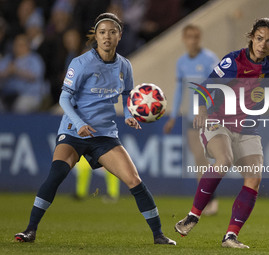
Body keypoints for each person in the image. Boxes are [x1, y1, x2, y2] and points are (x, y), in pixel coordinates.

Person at [14, 12, 176, 245]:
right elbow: (64, 100)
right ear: (96, 36)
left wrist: (129, 115)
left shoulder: (124, 65)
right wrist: (79, 124)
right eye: (102, 32)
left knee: (134, 180)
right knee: (57, 173)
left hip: (104, 135)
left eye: (112, 32)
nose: (107, 36)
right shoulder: (81, 63)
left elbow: (128, 93)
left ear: (119, 36)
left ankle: (159, 235)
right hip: (73, 131)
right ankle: (30, 230)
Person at [174, 17, 269, 248]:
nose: (263, 45)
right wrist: (202, 111)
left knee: (254, 179)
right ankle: (192, 216)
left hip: (248, 128)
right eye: (259, 38)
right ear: (251, 37)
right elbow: (203, 88)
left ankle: (230, 237)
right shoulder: (233, 62)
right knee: (224, 159)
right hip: (218, 122)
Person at [163, 24, 219, 215]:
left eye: (196, 37)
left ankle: (209, 198)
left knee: (208, 156)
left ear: (200, 38)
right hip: (190, 116)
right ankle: (209, 199)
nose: (192, 41)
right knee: (199, 157)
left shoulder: (210, 59)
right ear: (184, 39)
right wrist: (172, 117)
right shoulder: (181, 62)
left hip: (209, 115)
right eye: (189, 37)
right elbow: (179, 90)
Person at [0, 33, 47, 113]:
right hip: (7, 95)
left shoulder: (34, 59)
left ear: (27, 45)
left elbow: (34, 76)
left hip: (29, 95)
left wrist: (16, 71)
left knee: (20, 106)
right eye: (15, 45)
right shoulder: (9, 58)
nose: (16, 47)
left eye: (20, 45)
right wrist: (7, 72)